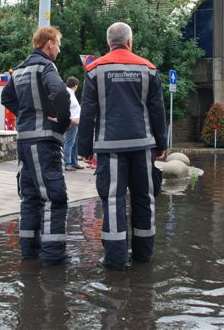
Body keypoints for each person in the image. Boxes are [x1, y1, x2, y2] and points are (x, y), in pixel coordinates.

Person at [77, 22, 167, 271]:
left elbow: (88, 113)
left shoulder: (95, 70)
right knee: (144, 199)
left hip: (110, 148)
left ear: (109, 43)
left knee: (113, 201)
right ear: (130, 41)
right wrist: (161, 144)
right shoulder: (148, 69)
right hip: (143, 147)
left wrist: (84, 149)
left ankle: (116, 260)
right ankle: (143, 256)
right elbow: (157, 111)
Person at [1, 25, 71, 266]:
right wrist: (61, 121)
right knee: (54, 197)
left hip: (24, 140)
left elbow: (6, 97)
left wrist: (25, 114)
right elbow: (60, 93)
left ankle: (29, 252)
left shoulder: (19, 70)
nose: (59, 50)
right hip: (44, 141)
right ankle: (54, 257)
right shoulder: (46, 66)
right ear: (48, 43)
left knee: (29, 196)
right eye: (58, 44)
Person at [63, 76, 83, 171]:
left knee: (74, 143)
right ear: (75, 85)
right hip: (72, 121)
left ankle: (74, 162)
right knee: (69, 143)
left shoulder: (70, 93)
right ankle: (67, 163)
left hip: (75, 122)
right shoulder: (68, 93)